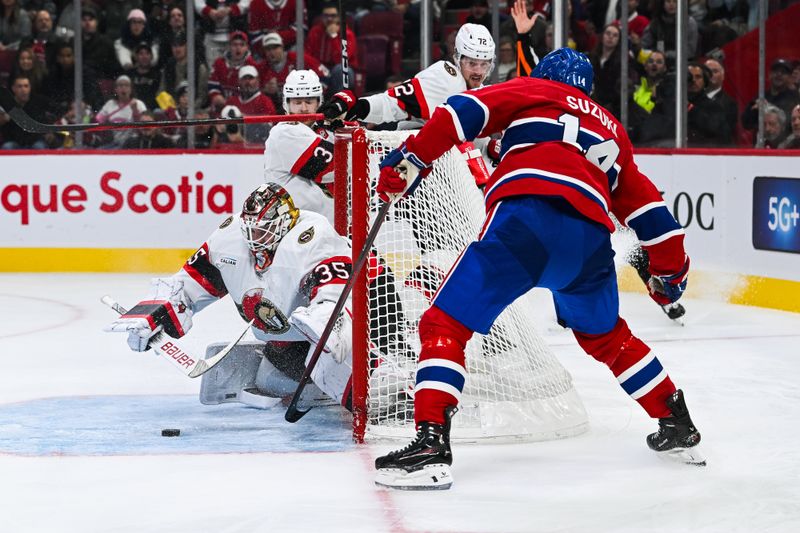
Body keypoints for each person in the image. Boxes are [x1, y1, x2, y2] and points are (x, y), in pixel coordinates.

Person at [372, 48, 704, 491]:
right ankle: (676, 421)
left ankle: (431, 442)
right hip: (589, 246)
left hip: (525, 222)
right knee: (608, 337)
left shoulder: (534, 89)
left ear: (546, 76)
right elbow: (655, 217)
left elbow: (461, 110)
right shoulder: (612, 129)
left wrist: (411, 159)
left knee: (444, 323)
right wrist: (670, 278)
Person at [104, 183, 406, 412]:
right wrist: (154, 314)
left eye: (263, 231)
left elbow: (336, 293)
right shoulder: (229, 239)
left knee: (336, 371)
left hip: (372, 304)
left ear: (284, 223)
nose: (254, 240)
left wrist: (326, 322)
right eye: (250, 230)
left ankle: (397, 384)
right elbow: (188, 285)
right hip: (298, 331)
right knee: (273, 381)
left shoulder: (312, 236)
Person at [320, 23, 495, 129]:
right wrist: (356, 108)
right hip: (419, 171)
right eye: (472, 63)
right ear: (458, 58)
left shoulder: (484, 93)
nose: (479, 72)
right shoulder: (445, 79)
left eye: (484, 64)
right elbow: (393, 102)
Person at [262, 69, 336, 224]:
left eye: (309, 102)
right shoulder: (284, 133)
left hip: (326, 228)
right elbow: (333, 169)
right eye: (297, 102)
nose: (303, 108)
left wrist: (346, 127)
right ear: (287, 104)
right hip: (296, 229)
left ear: (319, 103)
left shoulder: (325, 130)